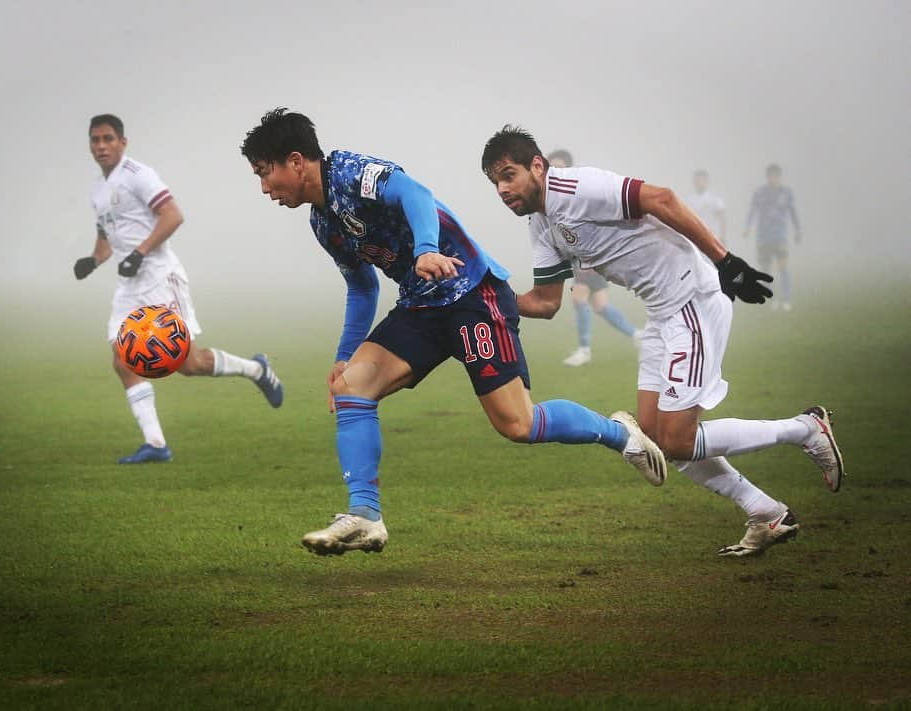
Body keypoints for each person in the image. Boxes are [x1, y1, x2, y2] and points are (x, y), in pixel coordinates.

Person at [240, 108, 667, 556]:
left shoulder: (351, 171)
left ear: (295, 160)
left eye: (264, 173)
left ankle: (620, 434)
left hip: (471, 292)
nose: (265, 188)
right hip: (421, 303)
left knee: (518, 424)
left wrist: (426, 250)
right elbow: (362, 286)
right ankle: (365, 515)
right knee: (352, 387)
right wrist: (345, 354)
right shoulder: (323, 223)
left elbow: (416, 195)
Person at [481, 126, 844, 557]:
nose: (503, 189)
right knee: (654, 434)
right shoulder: (541, 225)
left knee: (675, 438)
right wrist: (482, 297)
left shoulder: (577, 186)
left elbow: (662, 199)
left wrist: (726, 262)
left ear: (537, 166)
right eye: (495, 183)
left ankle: (806, 429)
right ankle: (766, 512)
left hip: (692, 298)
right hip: (661, 313)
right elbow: (545, 302)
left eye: (509, 175)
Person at [75, 114, 284, 464]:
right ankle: (156, 444)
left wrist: (141, 253)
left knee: (189, 363)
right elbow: (107, 242)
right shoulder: (98, 190)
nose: (101, 146)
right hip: (129, 284)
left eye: (108, 139)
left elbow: (173, 215)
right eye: (95, 140)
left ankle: (257, 369)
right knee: (122, 358)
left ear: (122, 142)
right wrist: (93, 261)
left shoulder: (138, 176)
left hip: (159, 276)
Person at [546, 150, 640, 367]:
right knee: (600, 305)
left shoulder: (578, 192)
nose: (555, 170)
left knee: (579, 299)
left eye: (559, 166)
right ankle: (636, 335)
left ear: (569, 168)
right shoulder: (551, 197)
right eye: (551, 166)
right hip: (579, 257)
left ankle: (584, 350)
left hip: (589, 257)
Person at [744, 164, 800, 311]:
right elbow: (752, 211)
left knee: (782, 266)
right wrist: (747, 227)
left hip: (780, 236)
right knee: (766, 269)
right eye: (771, 176)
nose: (773, 179)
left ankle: (786, 299)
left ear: (780, 177)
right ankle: (772, 299)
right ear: (767, 177)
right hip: (763, 237)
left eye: (776, 176)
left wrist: (797, 230)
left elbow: (793, 212)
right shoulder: (760, 193)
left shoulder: (786, 193)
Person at [684, 169, 725, 241]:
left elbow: (721, 218)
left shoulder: (715, 200)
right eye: (698, 180)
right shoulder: (688, 200)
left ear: (707, 181)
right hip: (694, 235)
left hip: (712, 236)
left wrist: (722, 236)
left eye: (702, 180)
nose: (700, 182)